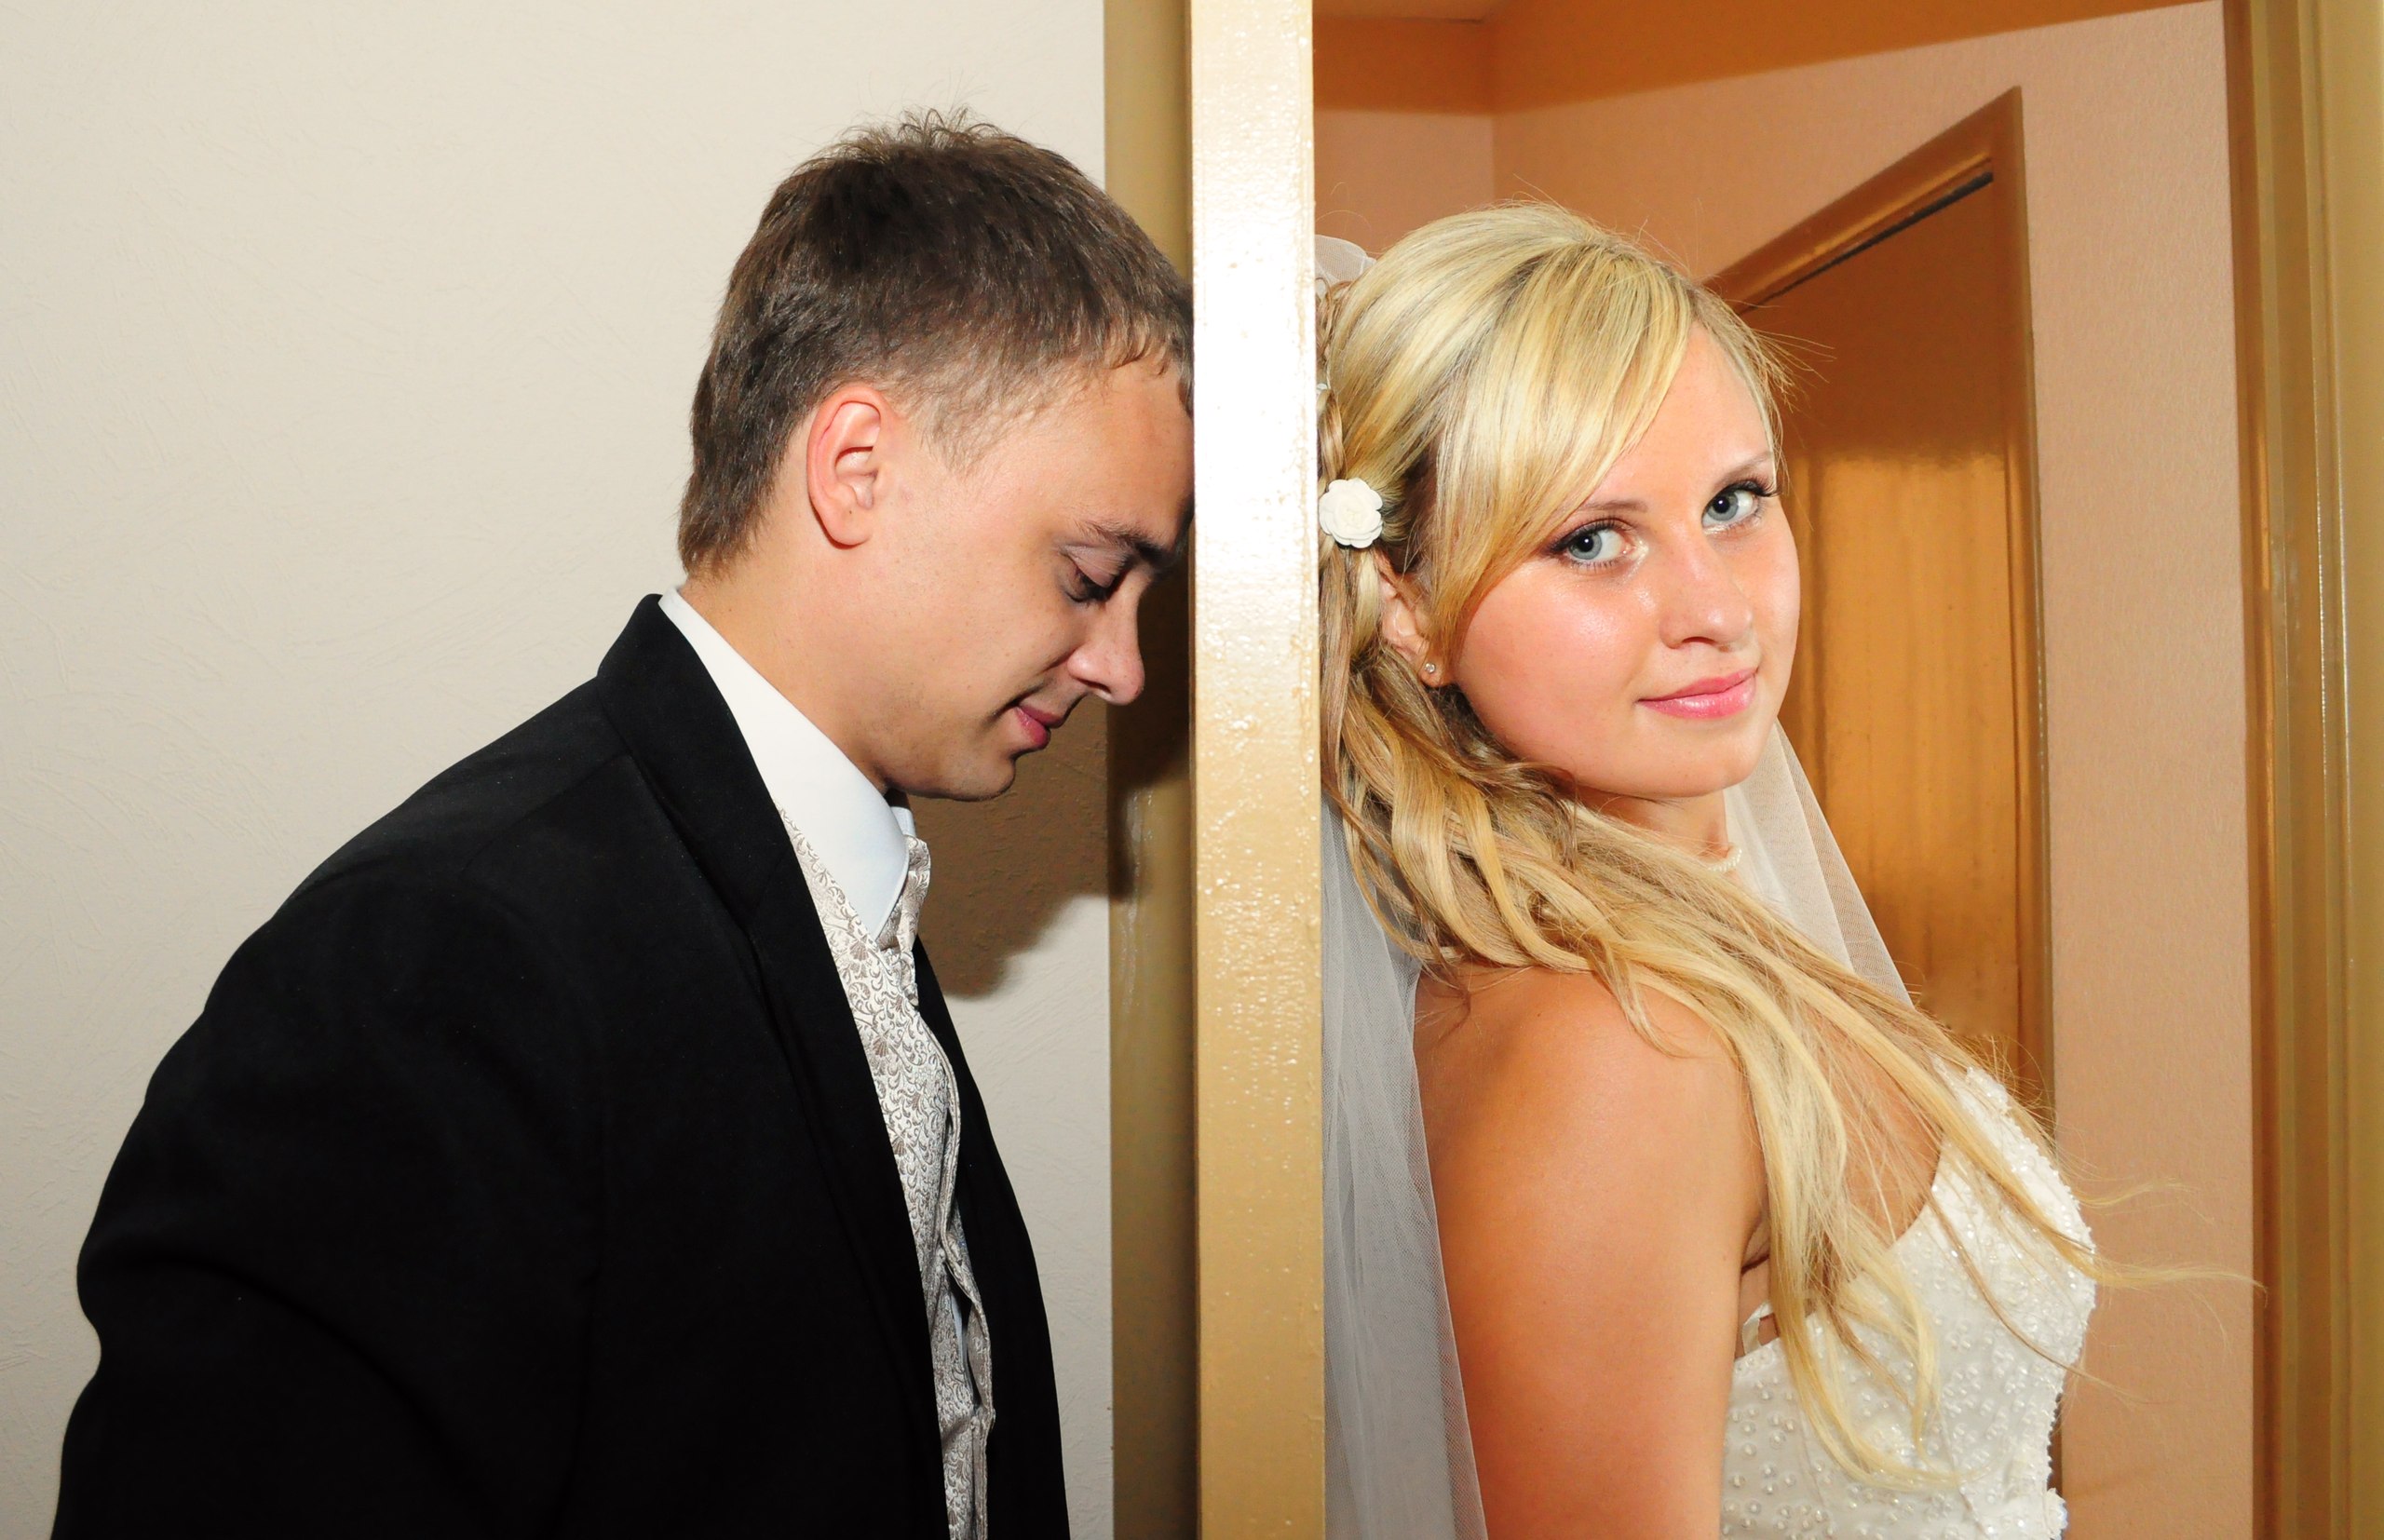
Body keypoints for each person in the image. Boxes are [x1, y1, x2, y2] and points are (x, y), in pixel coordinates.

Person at [53, 114, 1191, 1538]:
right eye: (1088, 572)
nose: (1123, 666)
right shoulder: (437, 967)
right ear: (857, 469)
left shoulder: (829, 886)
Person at [1314, 209, 2104, 1538]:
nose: (1721, 609)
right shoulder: (1617, 1047)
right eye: (1592, 539)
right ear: (1410, 605)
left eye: (1735, 503)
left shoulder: (1685, 943)